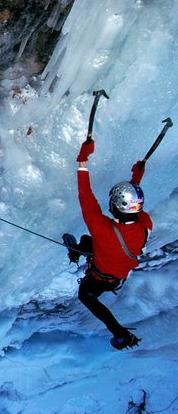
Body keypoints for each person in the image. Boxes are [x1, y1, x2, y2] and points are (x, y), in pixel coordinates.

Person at [72, 139, 153, 350]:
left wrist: (82, 159)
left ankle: (120, 332)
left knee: (85, 293)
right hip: (113, 277)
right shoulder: (145, 225)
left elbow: (86, 194)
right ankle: (119, 333)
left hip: (100, 274)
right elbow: (132, 208)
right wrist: (136, 180)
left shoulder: (101, 228)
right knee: (89, 244)